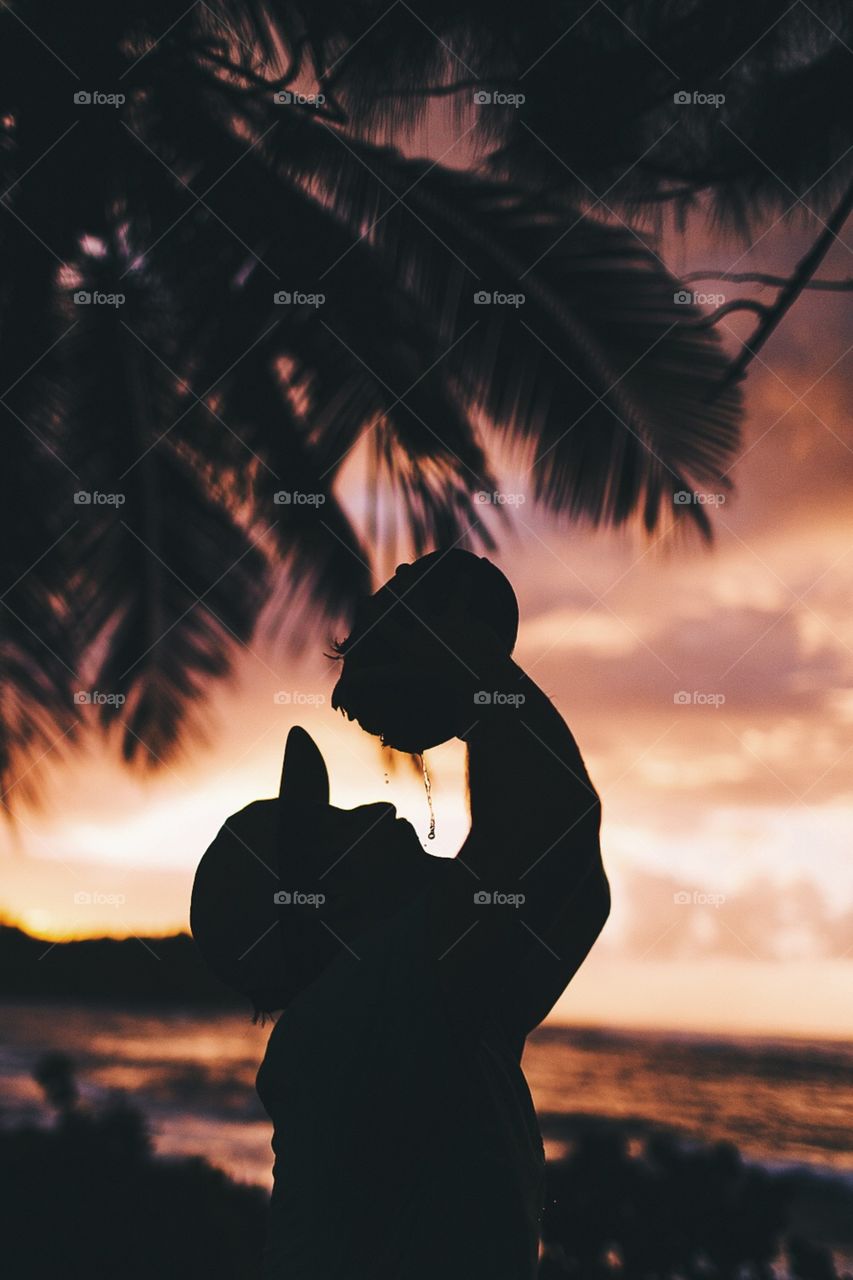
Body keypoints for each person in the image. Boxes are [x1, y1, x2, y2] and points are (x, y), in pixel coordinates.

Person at [191, 551, 609, 1279]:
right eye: (336, 827)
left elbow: (571, 887)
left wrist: (460, 667)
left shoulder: (421, 1017)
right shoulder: (359, 1016)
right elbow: (549, 833)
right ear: (316, 902)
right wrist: (461, 665)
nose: (381, 810)